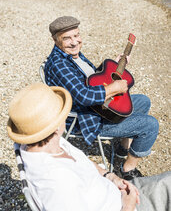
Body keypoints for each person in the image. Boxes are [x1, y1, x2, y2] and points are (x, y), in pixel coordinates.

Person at [7, 83, 170, 211]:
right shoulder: (56, 184)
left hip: (115, 190)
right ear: (57, 125)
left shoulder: (44, 142)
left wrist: (111, 177)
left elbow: (80, 161)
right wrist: (128, 205)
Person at [44, 16, 159, 180]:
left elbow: (91, 78)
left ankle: (122, 147)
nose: (74, 42)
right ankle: (128, 169)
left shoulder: (71, 54)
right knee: (150, 125)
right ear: (55, 40)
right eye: (67, 38)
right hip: (85, 118)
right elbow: (84, 96)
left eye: (76, 35)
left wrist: (116, 65)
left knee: (143, 100)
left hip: (95, 108)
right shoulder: (60, 64)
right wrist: (113, 88)